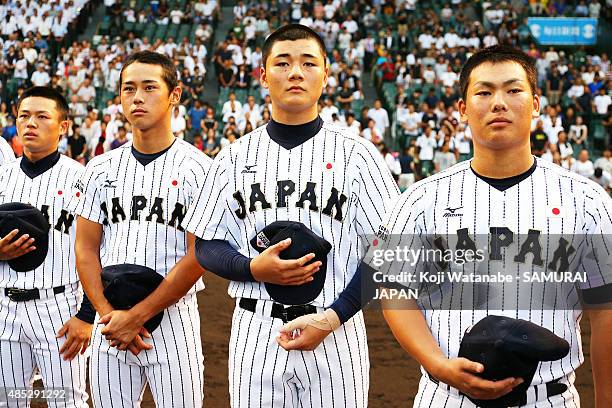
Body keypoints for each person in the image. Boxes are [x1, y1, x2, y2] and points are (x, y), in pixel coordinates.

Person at [107, 24, 399, 407]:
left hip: (336, 330)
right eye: (282, 63)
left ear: (326, 74)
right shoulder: (234, 156)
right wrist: (251, 269)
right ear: (262, 75)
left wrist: (334, 316)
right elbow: (207, 244)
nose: (295, 72)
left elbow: (394, 249)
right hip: (256, 327)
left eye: (308, 63)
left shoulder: (357, 155)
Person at [381, 45, 612, 407]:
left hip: (547, 398)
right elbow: (395, 294)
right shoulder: (421, 198)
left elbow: (605, 311)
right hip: (446, 396)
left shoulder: (588, 200)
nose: (499, 103)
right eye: (484, 92)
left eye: (513, 90)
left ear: (536, 104)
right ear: (462, 109)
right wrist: (438, 365)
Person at [74, 51, 210, 407]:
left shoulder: (201, 169)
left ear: (175, 94)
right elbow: (86, 249)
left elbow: (200, 256)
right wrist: (108, 314)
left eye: (149, 87)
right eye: (128, 88)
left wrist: (137, 316)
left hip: (174, 321)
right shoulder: (99, 168)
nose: (137, 97)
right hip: (110, 321)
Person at [0, 86, 94, 407]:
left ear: (63, 126)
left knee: (66, 402)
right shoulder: (2, 177)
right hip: (5, 308)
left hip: (59, 309)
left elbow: (101, 254)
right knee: (7, 400)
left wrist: (87, 315)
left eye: (42, 116)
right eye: (24, 116)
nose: (31, 123)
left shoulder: (83, 179)